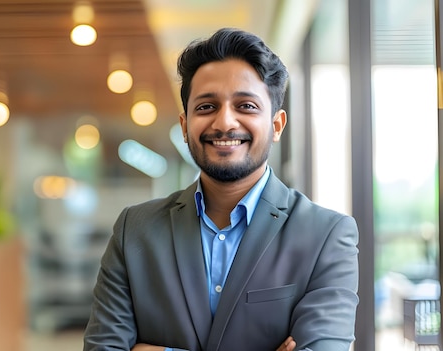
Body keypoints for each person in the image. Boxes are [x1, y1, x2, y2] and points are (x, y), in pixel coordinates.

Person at [83, 27, 359, 351]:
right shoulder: (135, 231)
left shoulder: (326, 235)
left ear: (276, 125)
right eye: (206, 107)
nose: (225, 122)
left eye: (246, 106)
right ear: (185, 126)